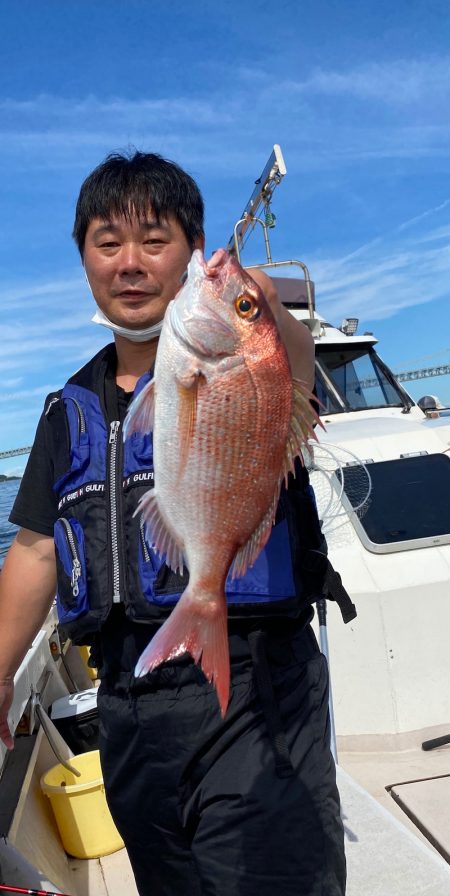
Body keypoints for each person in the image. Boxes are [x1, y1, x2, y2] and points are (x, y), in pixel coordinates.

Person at [0, 150, 348, 896]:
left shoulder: (252, 364)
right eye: (107, 242)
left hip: (258, 692)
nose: (129, 263)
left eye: (154, 240)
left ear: (192, 254)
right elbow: (33, 549)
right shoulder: (68, 412)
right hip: (128, 705)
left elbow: (289, 356)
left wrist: (255, 304)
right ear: (84, 260)